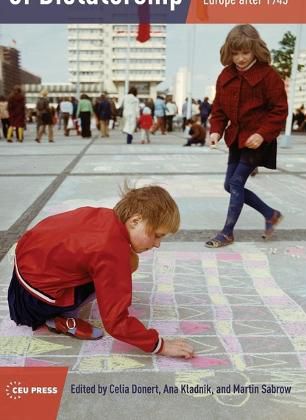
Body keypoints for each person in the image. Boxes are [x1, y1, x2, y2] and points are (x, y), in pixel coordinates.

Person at [8, 185, 194, 359]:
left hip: (22, 277)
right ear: (135, 221)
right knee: (127, 264)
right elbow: (116, 322)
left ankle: (59, 305)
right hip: (34, 303)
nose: (157, 244)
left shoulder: (105, 216)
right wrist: (159, 345)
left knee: (124, 262)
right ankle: (58, 318)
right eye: (157, 235)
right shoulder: (111, 249)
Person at [206, 24, 288, 248]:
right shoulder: (225, 76)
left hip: (258, 140)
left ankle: (227, 232)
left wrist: (262, 134)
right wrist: (216, 130)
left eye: (245, 52)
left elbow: (280, 109)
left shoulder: (269, 76)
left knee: (236, 182)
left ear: (255, 50)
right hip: (236, 138)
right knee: (229, 185)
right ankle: (270, 214)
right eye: (235, 53)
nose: (240, 58)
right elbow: (219, 109)